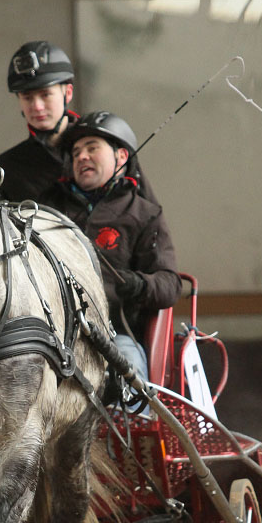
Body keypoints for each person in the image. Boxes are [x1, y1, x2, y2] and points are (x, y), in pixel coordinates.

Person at [44, 111, 182, 382]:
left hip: (113, 335)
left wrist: (140, 285)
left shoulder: (144, 213)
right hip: (50, 334)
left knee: (128, 373)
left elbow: (170, 284)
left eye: (92, 148)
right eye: (76, 152)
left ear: (121, 157)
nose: (81, 156)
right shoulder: (48, 207)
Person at [0, 40, 79, 202]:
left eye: (45, 94)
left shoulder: (104, 148)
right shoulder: (9, 167)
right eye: (27, 97)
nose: (37, 107)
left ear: (67, 93)